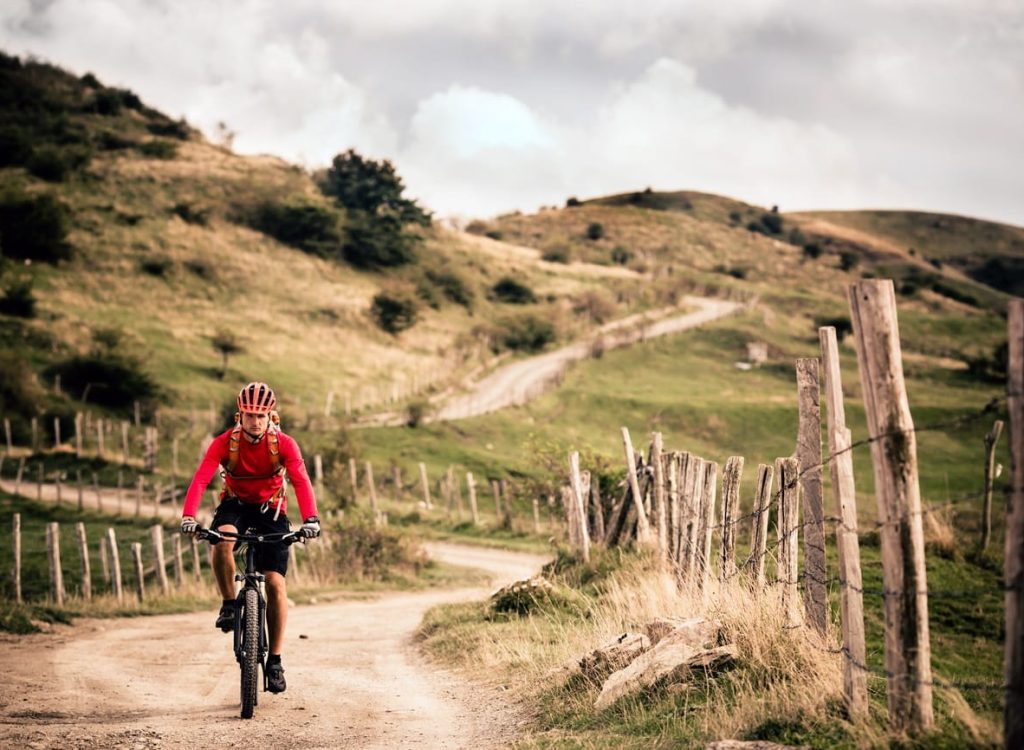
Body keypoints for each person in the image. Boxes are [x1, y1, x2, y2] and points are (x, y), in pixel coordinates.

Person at [180, 381, 320, 694]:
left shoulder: (284, 444)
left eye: (261, 415)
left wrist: (311, 519)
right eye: (249, 415)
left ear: (271, 416)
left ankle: (275, 661)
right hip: (236, 504)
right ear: (238, 415)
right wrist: (189, 516)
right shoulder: (224, 443)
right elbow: (202, 476)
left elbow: (300, 480)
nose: (255, 421)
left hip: (271, 511)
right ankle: (230, 603)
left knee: (275, 583)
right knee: (222, 538)